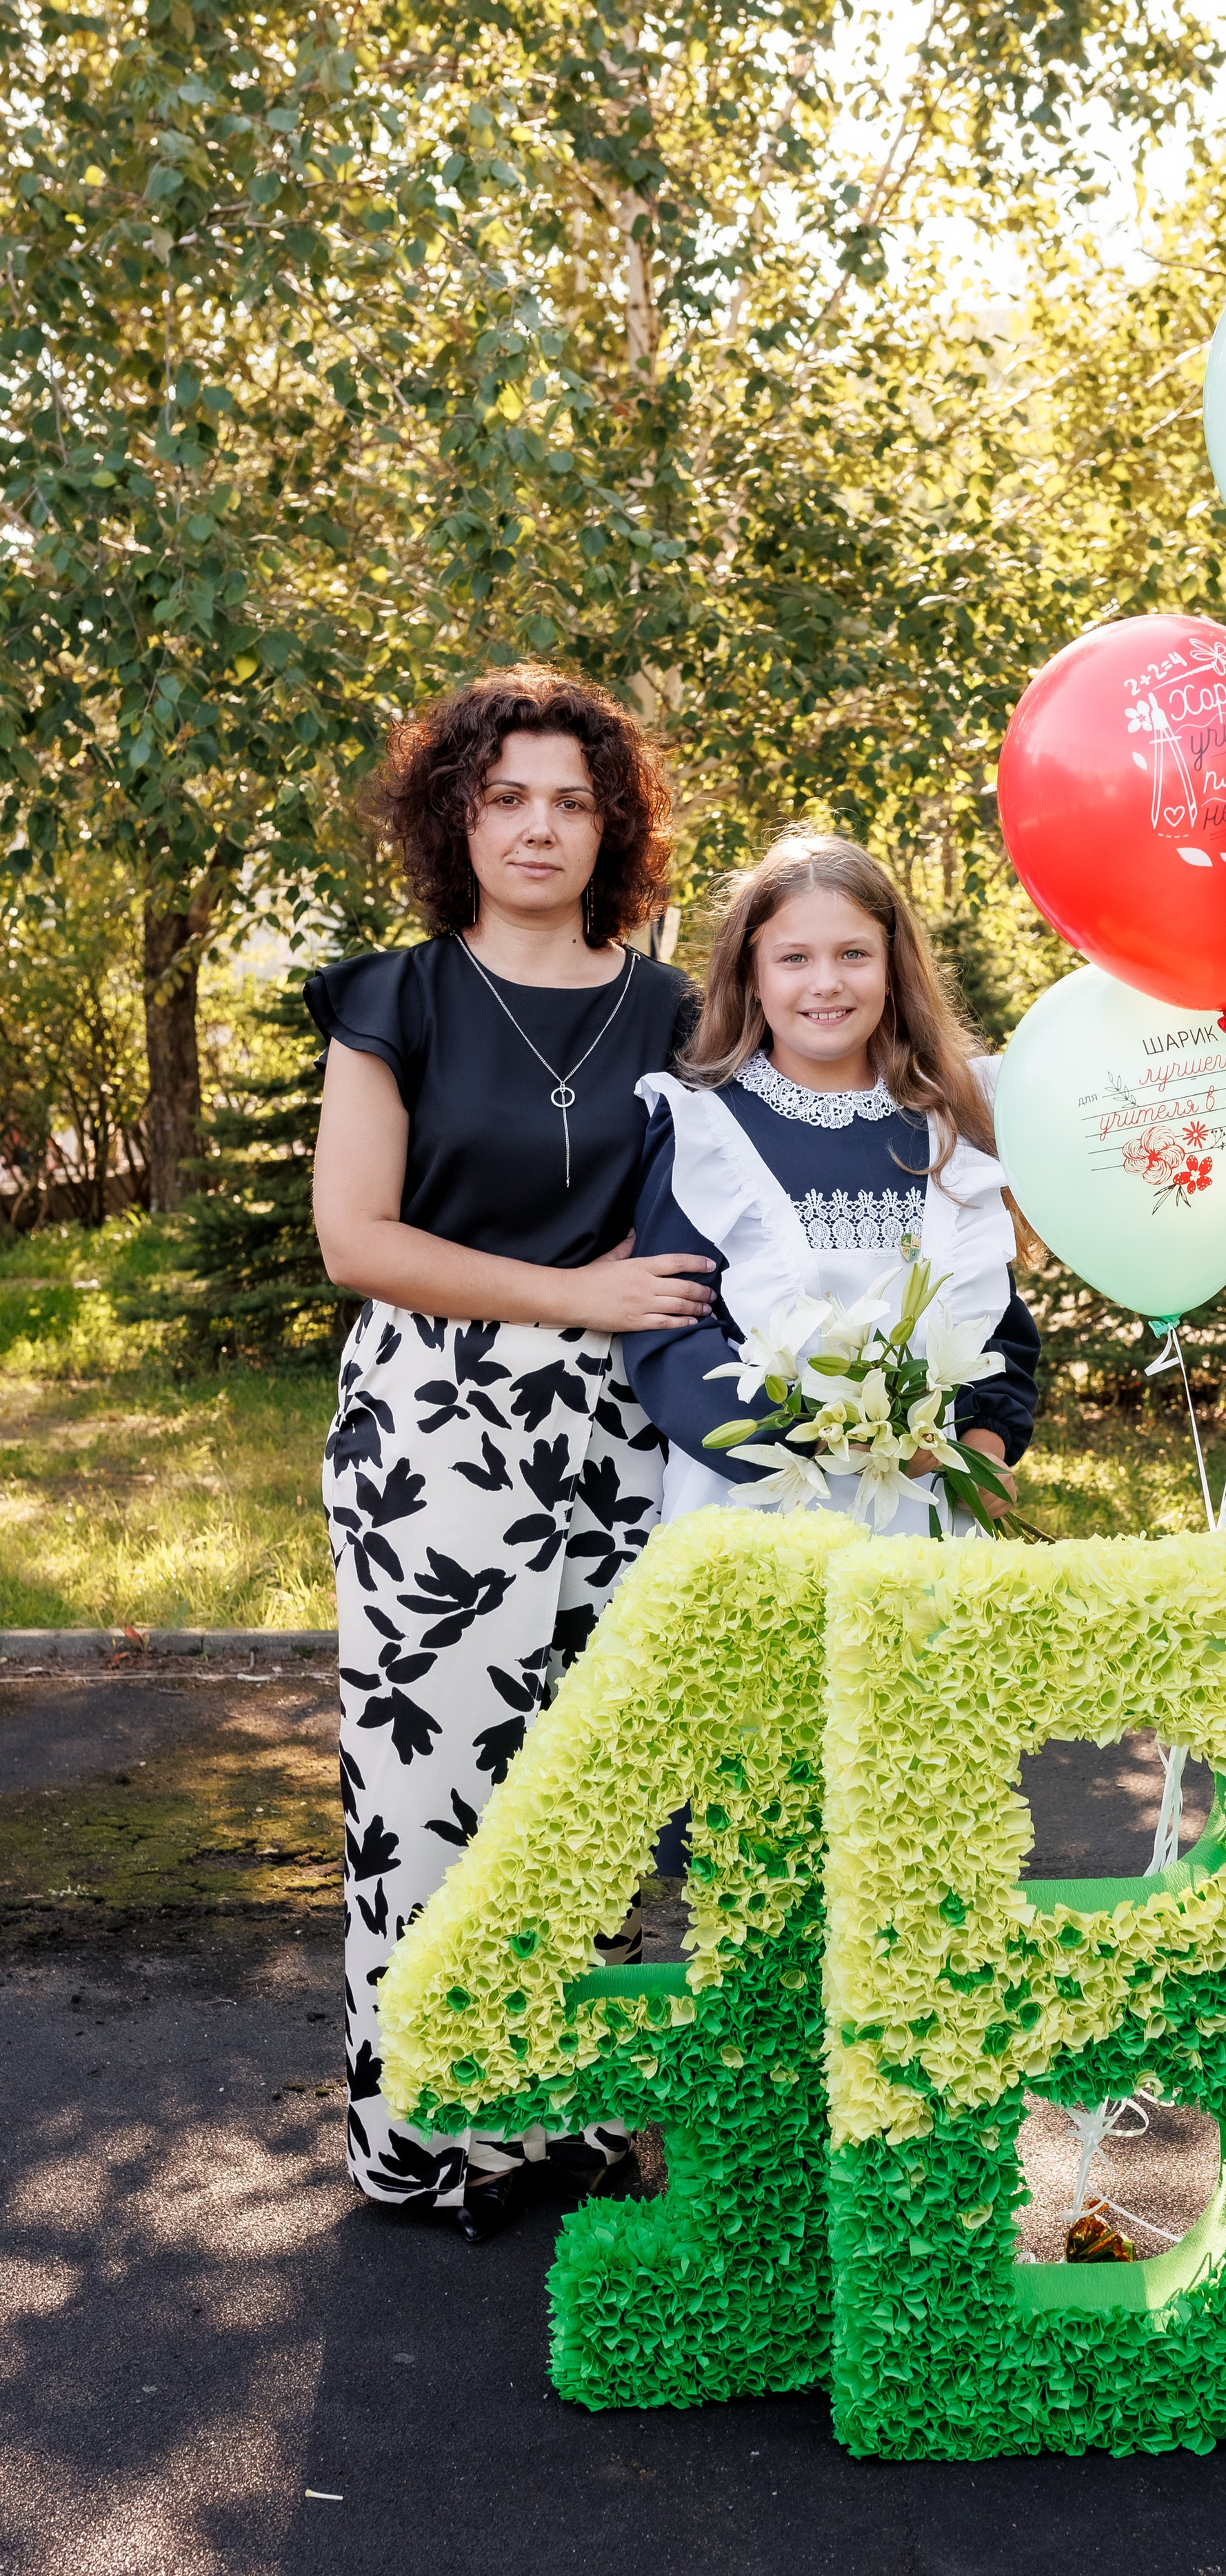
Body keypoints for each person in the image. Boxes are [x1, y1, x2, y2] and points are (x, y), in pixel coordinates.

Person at [308, 665, 716, 2241]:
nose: (538, 825)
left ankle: (574, 2115)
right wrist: (569, 1292)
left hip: (628, 1427)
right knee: (427, 1786)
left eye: (570, 798)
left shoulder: (679, 1012)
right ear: (457, 815)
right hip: (431, 1429)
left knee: (592, 1780)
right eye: (507, 797)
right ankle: (427, 2135)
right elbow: (358, 1238)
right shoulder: (390, 1000)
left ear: (608, 824)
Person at [622, 829, 1039, 1537]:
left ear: (891, 967)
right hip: (754, 1515)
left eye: (853, 954)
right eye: (793, 958)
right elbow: (670, 1336)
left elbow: (993, 1321)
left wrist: (986, 1445)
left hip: (924, 1513)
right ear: (752, 975)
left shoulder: (950, 1125)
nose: (826, 982)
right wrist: (827, 1445)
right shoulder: (702, 1128)